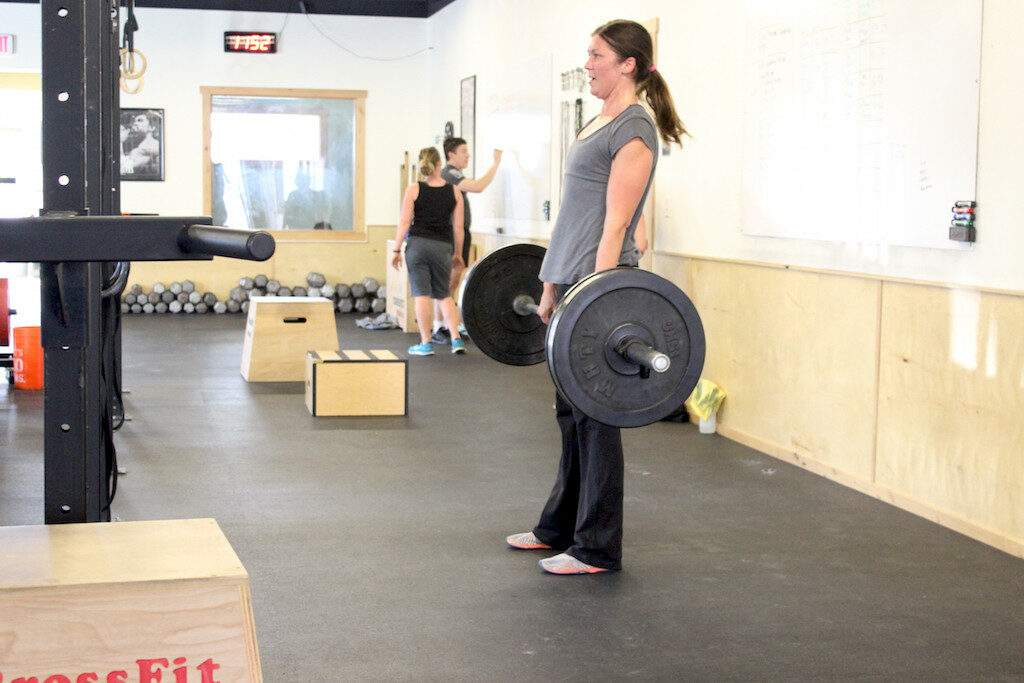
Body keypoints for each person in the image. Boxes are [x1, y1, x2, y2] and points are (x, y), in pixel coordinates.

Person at [505, 19, 687, 575]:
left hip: (601, 287)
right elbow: (573, 217)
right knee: (570, 413)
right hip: (572, 279)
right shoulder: (597, 122)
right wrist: (550, 282)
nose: (587, 64)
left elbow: (614, 226)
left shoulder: (634, 130)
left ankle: (597, 547)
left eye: (596, 55)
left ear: (627, 63)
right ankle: (557, 527)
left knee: (597, 419)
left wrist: (591, 301)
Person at [392, 147, 467, 356]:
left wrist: (396, 249)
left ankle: (426, 343)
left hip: (417, 246)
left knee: (421, 295)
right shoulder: (454, 191)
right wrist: (458, 254)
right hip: (443, 247)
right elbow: (458, 228)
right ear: (440, 164)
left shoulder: (413, 189)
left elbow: (404, 222)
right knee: (444, 295)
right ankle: (456, 339)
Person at [429, 139, 503, 345]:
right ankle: (439, 328)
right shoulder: (449, 173)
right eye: (463, 151)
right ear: (451, 155)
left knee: (450, 283)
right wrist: (496, 163)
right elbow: (477, 186)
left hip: (458, 234)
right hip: (450, 235)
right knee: (446, 283)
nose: (467, 155)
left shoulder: (453, 174)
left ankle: (445, 326)